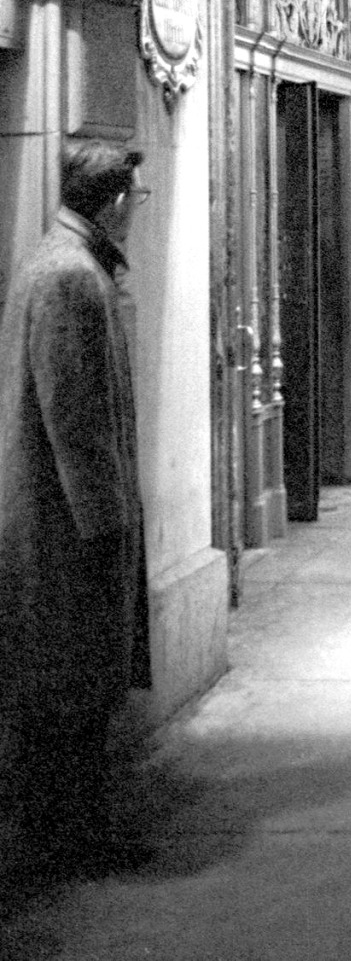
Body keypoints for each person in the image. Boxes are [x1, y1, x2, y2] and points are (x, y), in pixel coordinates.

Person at [0, 138, 151, 871]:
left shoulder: (60, 261)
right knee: (72, 686)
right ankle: (69, 839)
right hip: (66, 529)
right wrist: (105, 523)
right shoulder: (70, 276)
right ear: (116, 201)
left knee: (69, 686)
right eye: (135, 201)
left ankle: (67, 832)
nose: (135, 215)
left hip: (62, 519)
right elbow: (73, 417)